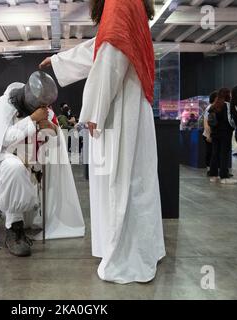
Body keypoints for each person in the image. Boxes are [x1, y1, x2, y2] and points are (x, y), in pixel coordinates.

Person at [39, 0, 165, 284]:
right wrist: (60, 61)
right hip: (130, 105)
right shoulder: (130, 5)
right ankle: (143, 249)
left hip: (119, 108)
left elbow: (111, 55)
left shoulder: (120, 2)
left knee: (119, 183)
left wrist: (94, 110)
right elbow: (104, 45)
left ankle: (125, 258)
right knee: (136, 183)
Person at [0, 71, 85, 257]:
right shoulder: (3, 106)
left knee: (25, 175)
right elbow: (4, 139)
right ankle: (14, 229)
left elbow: (53, 142)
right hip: (4, 162)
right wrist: (32, 120)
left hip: (33, 165)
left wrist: (52, 129)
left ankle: (22, 216)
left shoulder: (44, 110)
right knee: (14, 167)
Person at [207, 88, 237, 184]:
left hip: (215, 133)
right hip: (225, 133)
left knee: (215, 153)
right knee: (224, 154)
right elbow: (230, 120)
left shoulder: (214, 106)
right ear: (227, 95)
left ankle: (213, 175)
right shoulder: (227, 105)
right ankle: (224, 176)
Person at [203, 91, 218, 174]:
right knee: (210, 152)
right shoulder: (210, 108)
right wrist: (209, 135)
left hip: (210, 134)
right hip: (209, 134)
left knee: (212, 152)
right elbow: (206, 122)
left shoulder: (213, 107)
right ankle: (210, 169)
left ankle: (212, 169)